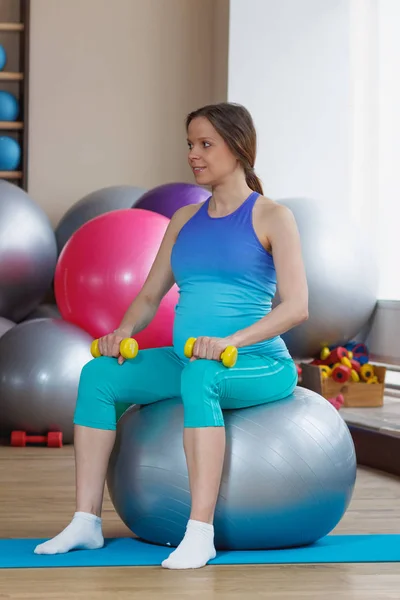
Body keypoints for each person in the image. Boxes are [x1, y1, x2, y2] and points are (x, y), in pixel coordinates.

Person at [34, 102, 308, 569]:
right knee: (99, 375)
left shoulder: (272, 217)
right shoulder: (184, 221)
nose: (194, 155)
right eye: (190, 145)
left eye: (206, 144)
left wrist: (231, 343)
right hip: (191, 360)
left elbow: (297, 307)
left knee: (202, 377)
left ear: (238, 148)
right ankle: (86, 521)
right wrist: (121, 330)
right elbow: (147, 298)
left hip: (259, 361)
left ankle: (199, 533)